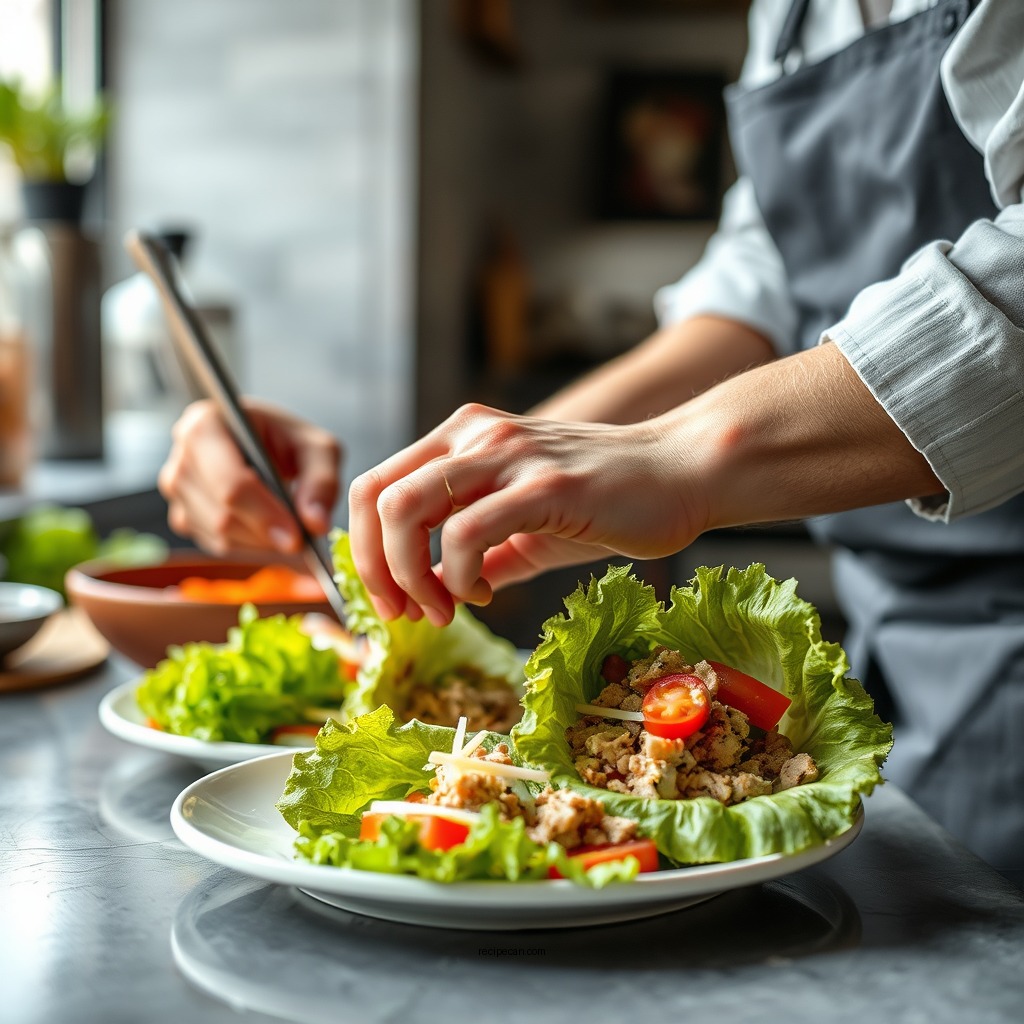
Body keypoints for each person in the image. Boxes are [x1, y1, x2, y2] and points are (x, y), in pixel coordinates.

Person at [158, 0, 1024, 883]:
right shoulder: (791, 17)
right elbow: (757, 297)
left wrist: (679, 456)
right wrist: (476, 479)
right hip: (896, 622)